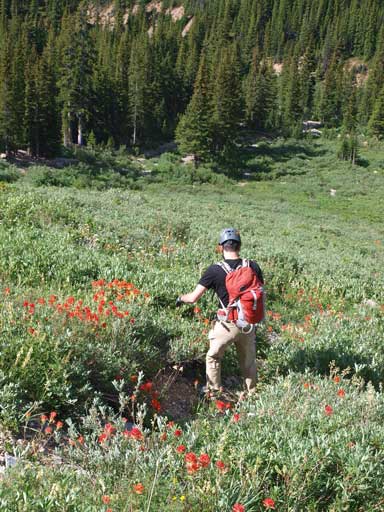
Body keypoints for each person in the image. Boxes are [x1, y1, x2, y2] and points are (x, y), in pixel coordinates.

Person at [177, 228, 264, 395]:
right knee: (248, 362)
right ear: (239, 246)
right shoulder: (252, 266)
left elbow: (194, 298)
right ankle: (251, 394)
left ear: (220, 247)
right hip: (249, 323)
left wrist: (180, 298)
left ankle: (214, 392)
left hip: (227, 324)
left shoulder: (214, 270)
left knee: (213, 357)